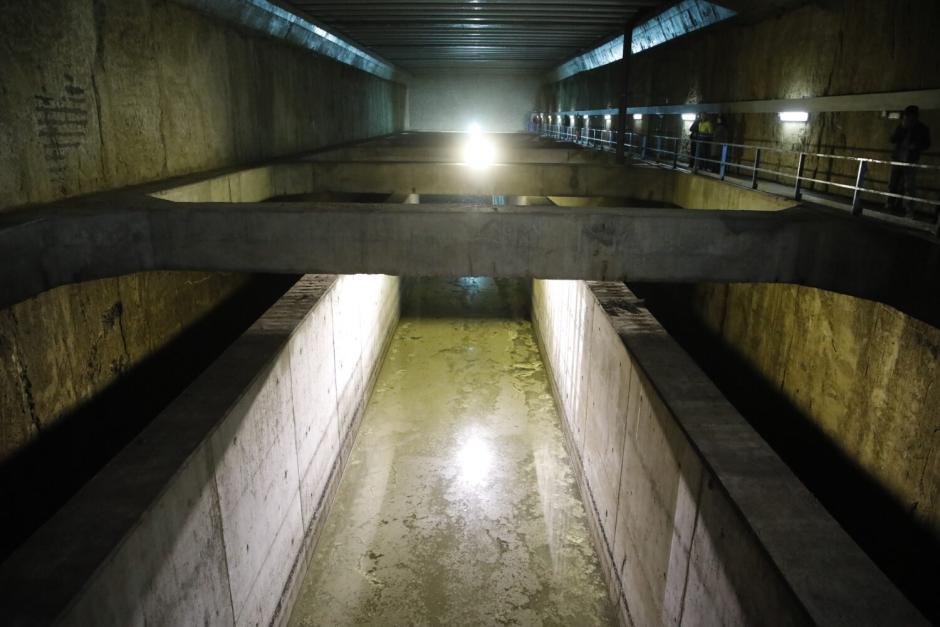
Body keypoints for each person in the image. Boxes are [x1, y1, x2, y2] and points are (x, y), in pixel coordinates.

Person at [887, 105, 931, 216]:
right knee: (893, 183)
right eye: (906, 117)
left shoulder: (922, 129)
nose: (907, 119)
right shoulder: (901, 126)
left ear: (915, 117)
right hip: (898, 159)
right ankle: (890, 204)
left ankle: (908, 210)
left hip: (911, 160)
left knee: (909, 187)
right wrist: (902, 128)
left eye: (909, 117)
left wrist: (916, 146)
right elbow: (892, 139)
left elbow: (927, 144)